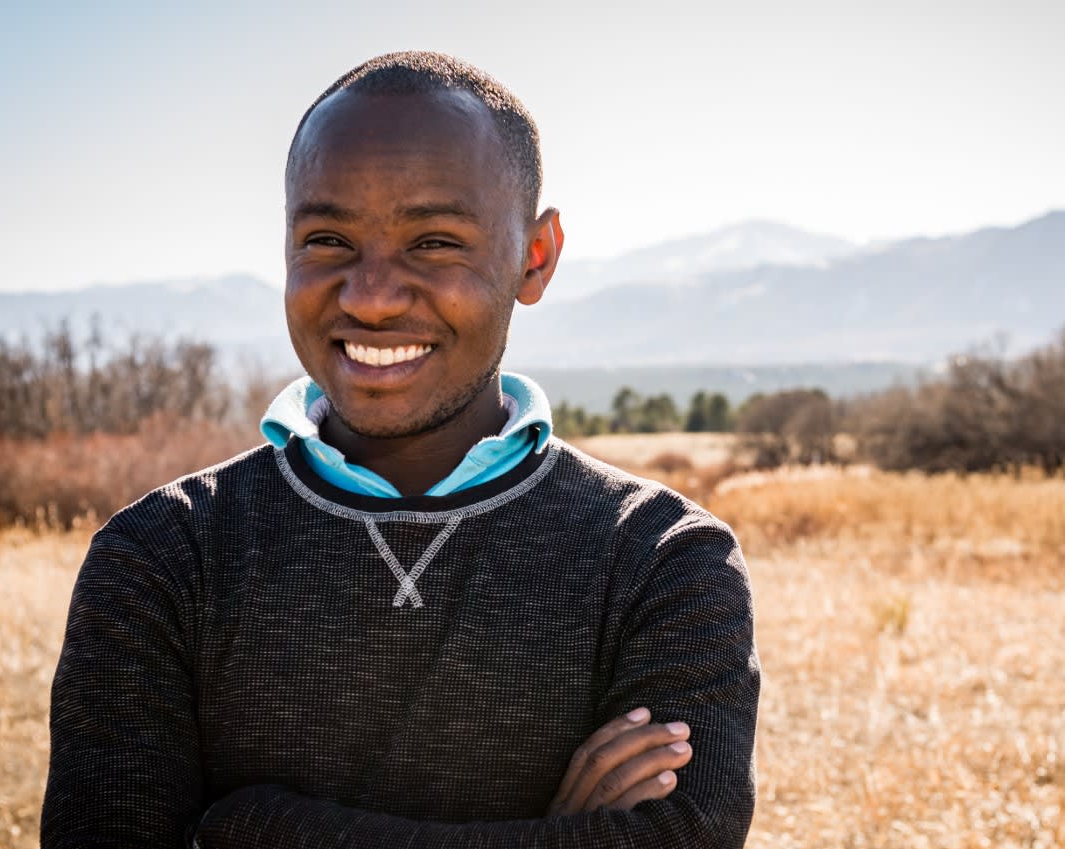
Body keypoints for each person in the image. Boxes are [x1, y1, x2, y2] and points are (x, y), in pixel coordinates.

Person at [40, 51, 761, 848]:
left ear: (536, 256)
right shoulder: (163, 556)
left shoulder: (659, 556)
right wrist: (555, 835)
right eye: (326, 239)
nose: (372, 297)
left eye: (434, 242)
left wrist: (249, 828)